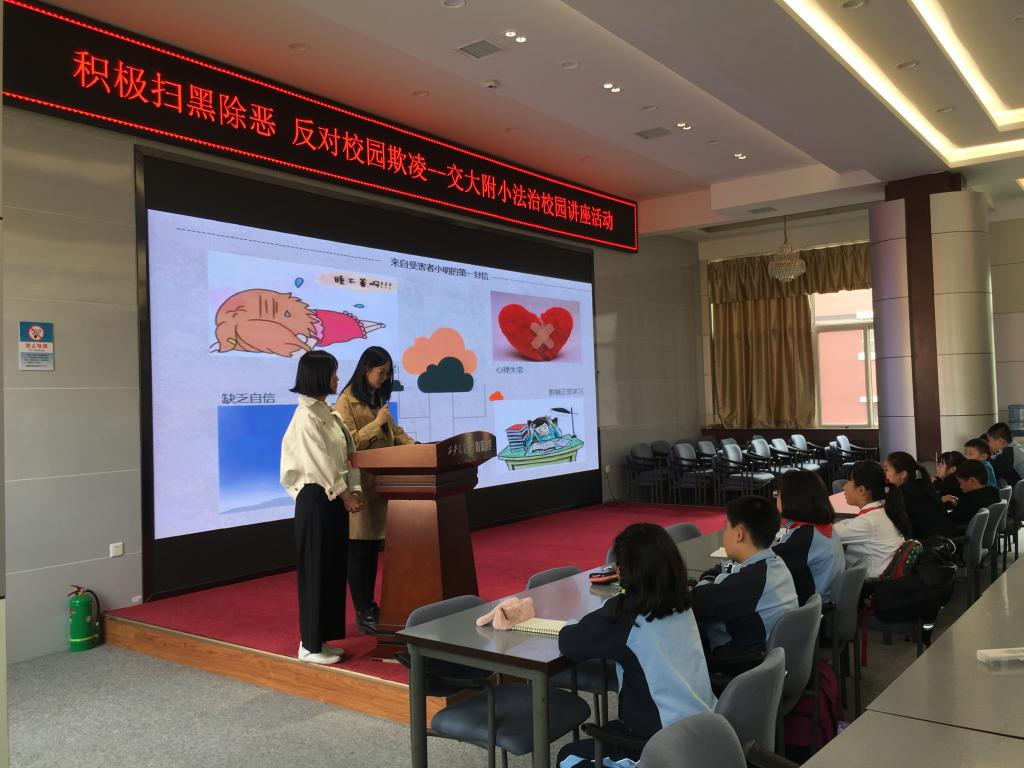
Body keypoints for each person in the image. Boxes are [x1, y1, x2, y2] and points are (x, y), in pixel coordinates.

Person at [556, 523, 715, 767]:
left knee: (569, 757)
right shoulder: (681, 601)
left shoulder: (629, 614)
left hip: (662, 746)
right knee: (611, 728)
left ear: (622, 571)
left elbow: (570, 641)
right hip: (704, 728)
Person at [280, 350, 363, 664]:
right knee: (316, 570)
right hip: (316, 499)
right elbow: (320, 464)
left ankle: (322, 640)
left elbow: (347, 454)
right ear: (318, 376)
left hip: (333, 498)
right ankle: (309, 645)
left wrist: (353, 489)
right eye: (333, 373)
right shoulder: (306, 417)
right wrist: (346, 495)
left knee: (331, 569)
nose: (337, 378)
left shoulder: (328, 413)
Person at [334, 346, 415, 633]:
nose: (384, 378)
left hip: (382, 485)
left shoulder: (376, 398)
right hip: (360, 487)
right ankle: (364, 610)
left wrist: (419, 448)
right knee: (361, 551)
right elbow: (347, 443)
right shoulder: (346, 401)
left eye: (388, 373)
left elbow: (394, 432)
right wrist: (375, 424)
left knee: (372, 549)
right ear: (365, 369)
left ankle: (375, 606)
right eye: (381, 372)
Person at [691, 495, 798, 663]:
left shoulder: (750, 581)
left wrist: (708, 580)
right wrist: (715, 575)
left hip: (742, 666)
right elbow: (726, 569)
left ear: (739, 534)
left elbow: (694, 601)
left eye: (726, 528)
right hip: (774, 659)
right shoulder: (773, 563)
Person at [772, 470, 844, 605]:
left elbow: (767, 563)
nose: (776, 498)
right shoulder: (821, 527)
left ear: (791, 499)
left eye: (778, 494)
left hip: (810, 609)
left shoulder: (804, 537)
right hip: (824, 603)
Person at [833, 461, 910, 578]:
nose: (844, 487)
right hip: (885, 579)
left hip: (871, 584)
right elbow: (851, 523)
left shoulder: (869, 522)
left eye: (848, 482)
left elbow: (831, 534)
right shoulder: (883, 510)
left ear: (861, 490)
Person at [884, 451, 951, 540]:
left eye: (886, 470)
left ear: (903, 474)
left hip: (926, 544)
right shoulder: (921, 486)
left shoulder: (905, 494)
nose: (883, 474)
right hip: (941, 541)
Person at [942, 459, 1000, 535]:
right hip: (981, 536)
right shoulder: (993, 492)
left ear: (972, 480)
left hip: (961, 537)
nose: (960, 486)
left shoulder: (971, 499)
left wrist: (941, 504)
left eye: (960, 482)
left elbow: (951, 519)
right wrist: (958, 503)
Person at [985, 422, 1023, 487]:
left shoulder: (1009, 453)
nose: (987, 444)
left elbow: (992, 469)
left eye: (989, 441)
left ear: (1000, 441)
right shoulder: (1017, 448)